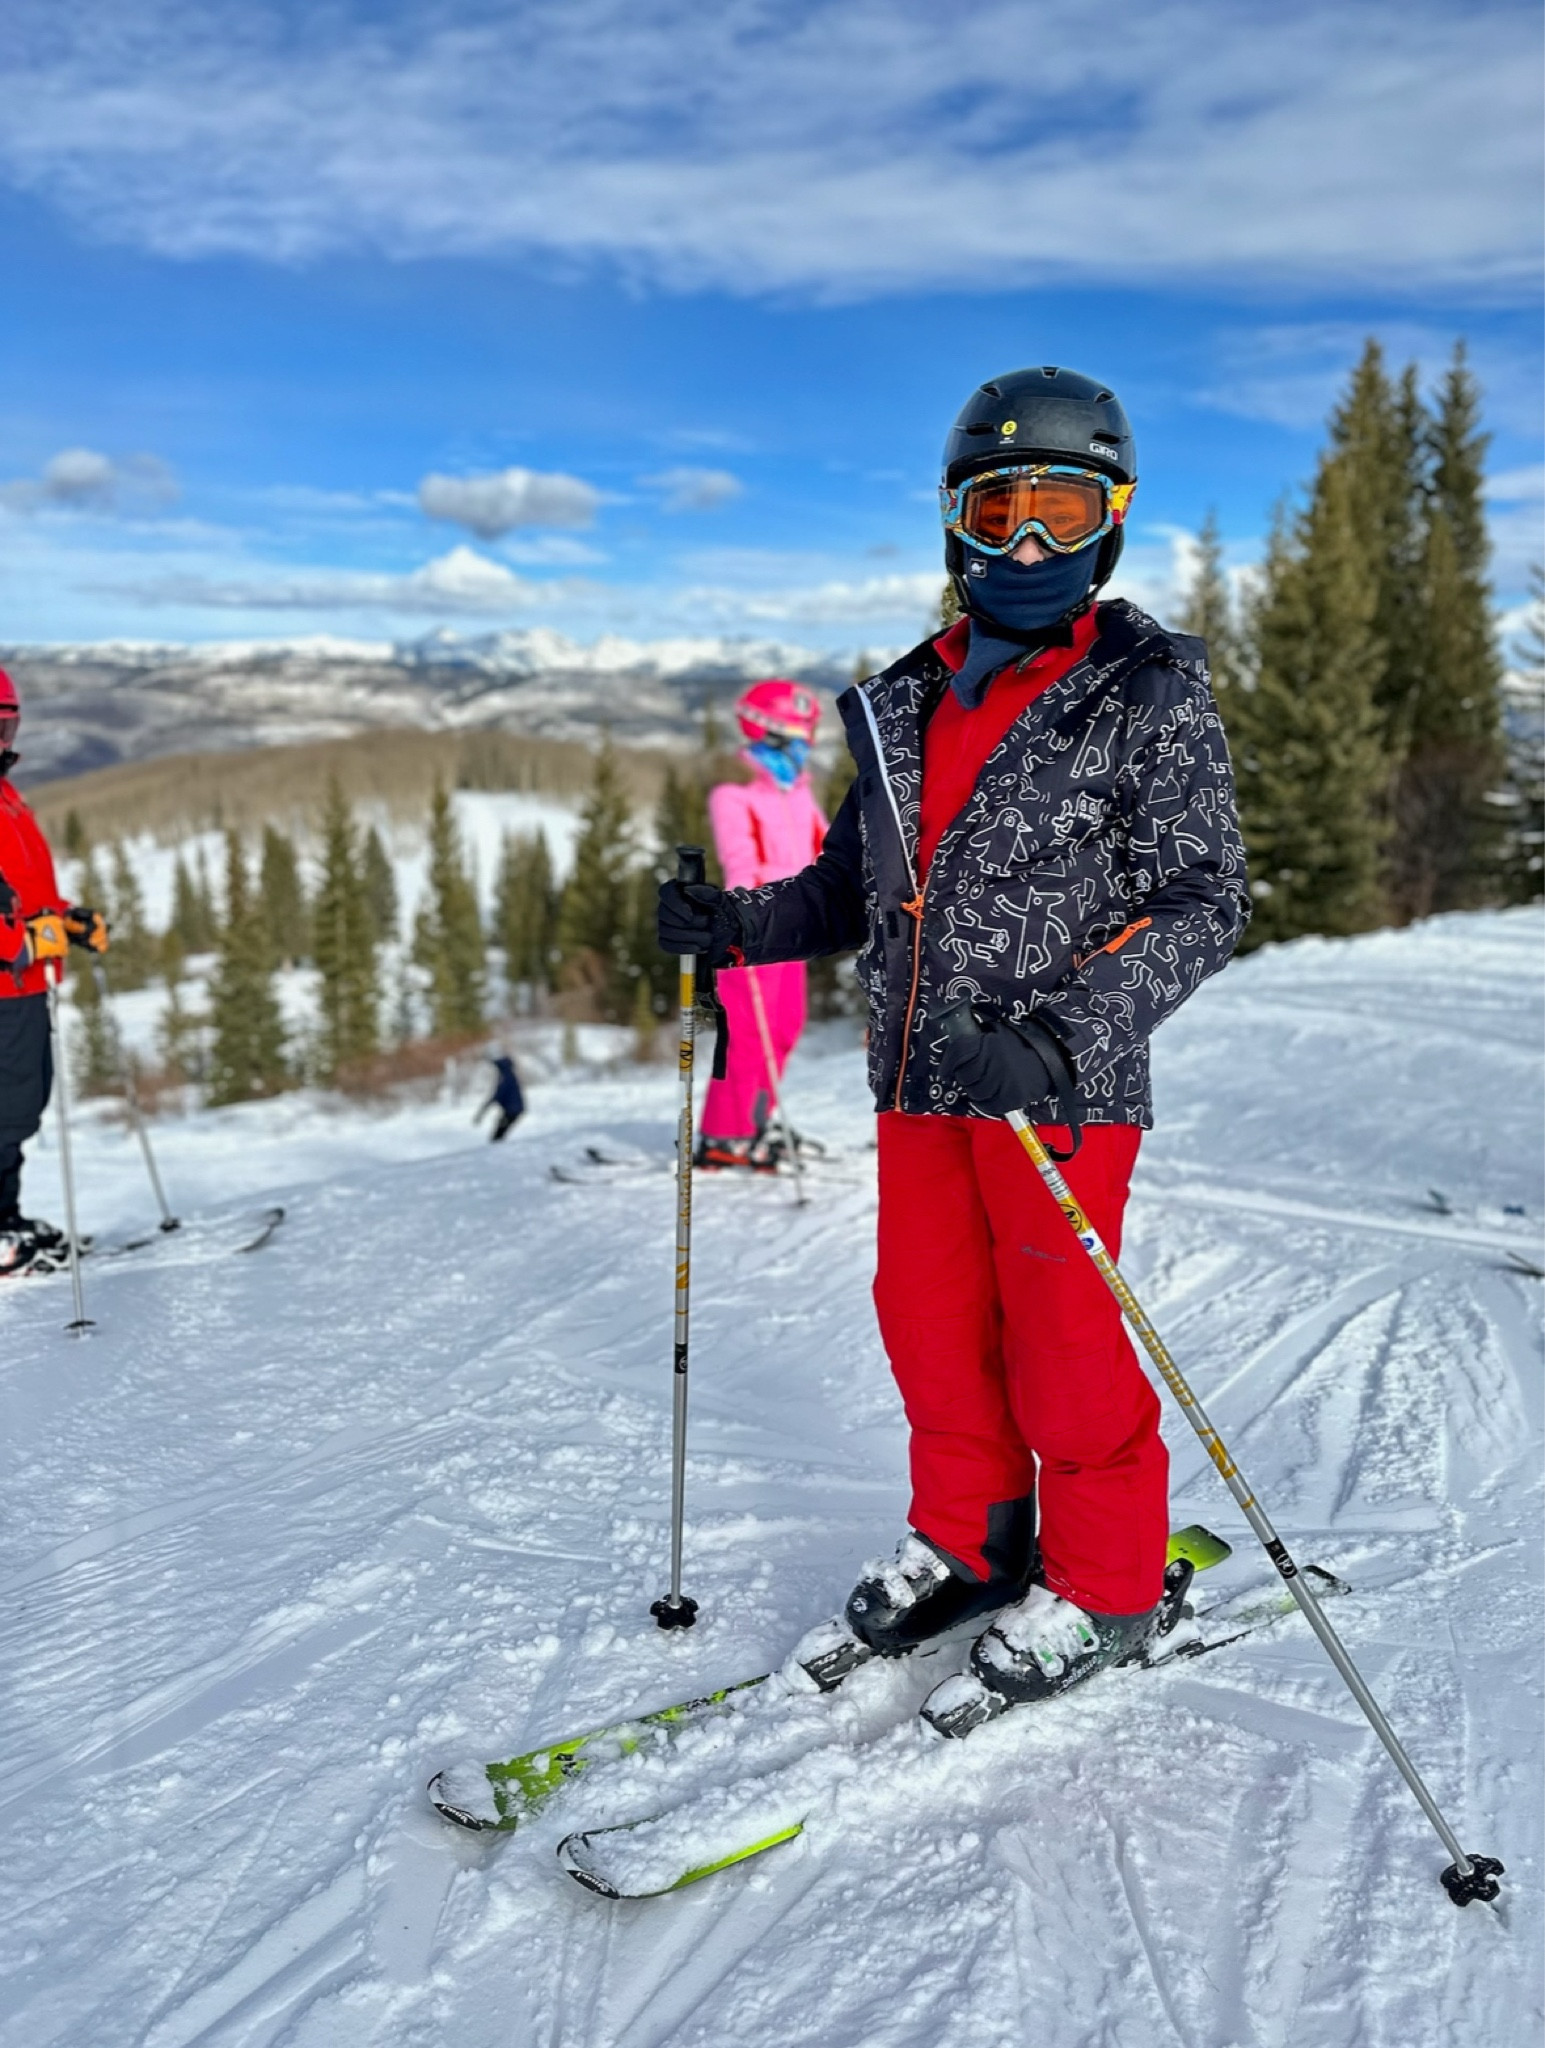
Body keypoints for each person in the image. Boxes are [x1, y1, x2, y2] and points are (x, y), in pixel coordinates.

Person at [659, 366, 1248, 1715]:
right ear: (953, 524)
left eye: (1059, 506)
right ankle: (977, 1541)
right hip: (919, 1083)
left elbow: (1201, 900)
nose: (1026, 542)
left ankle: (1104, 1583)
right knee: (928, 1323)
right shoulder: (905, 701)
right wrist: (736, 924)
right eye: (999, 508)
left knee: (1059, 1338)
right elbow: (844, 885)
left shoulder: (1144, 691)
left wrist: (1063, 1032)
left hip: (1057, 1092)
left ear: (1112, 521)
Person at [0, 666, 110, 1276]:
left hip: (20, 988)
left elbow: (22, 892)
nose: (1, 738)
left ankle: (5, 1224)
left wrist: (65, 921)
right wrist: (22, 942)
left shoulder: (7, 798)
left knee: (15, 1111)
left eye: (6, 723)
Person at [693, 680, 828, 1171]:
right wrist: (746, 924)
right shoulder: (734, 795)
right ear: (768, 732)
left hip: (793, 933)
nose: (803, 747)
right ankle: (724, 1136)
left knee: (785, 1028)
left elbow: (828, 853)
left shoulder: (798, 796)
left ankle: (754, 1120)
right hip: (752, 931)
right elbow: (741, 865)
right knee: (750, 1037)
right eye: (797, 735)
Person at [477, 1052, 525, 1142]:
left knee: (497, 1137)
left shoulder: (505, 1077)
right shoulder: (510, 1075)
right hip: (514, 1109)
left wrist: (486, 1106)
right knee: (499, 1134)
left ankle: (499, 1152)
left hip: (512, 1110)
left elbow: (499, 1094)